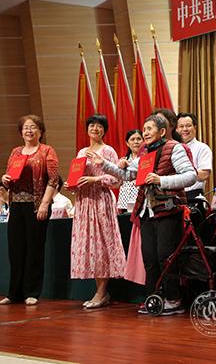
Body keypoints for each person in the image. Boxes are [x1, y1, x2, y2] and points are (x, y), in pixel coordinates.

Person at [88, 114, 196, 316]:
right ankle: (154, 298)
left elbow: (191, 176)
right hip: (147, 211)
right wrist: (104, 164)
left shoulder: (174, 148)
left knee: (166, 256)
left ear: (162, 131)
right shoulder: (146, 153)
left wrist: (161, 180)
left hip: (168, 209)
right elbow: (128, 175)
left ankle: (173, 299)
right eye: (144, 129)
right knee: (150, 257)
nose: (145, 133)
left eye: (149, 129)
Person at [66, 114, 126, 309]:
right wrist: (71, 184)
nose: (95, 128)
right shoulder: (82, 152)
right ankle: (101, 292)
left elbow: (117, 179)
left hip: (101, 201)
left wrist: (95, 180)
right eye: (92, 125)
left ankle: (101, 293)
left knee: (101, 246)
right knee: (90, 247)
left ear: (104, 130)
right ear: (87, 129)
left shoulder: (108, 151)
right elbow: (77, 176)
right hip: (84, 203)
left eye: (99, 126)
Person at [0, 114, 59, 306]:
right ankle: (14, 293)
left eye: (33, 127)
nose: (29, 130)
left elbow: (53, 180)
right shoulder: (16, 152)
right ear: (21, 132)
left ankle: (32, 292)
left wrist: (45, 203)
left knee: (34, 249)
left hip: (37, 205)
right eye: (26, 127)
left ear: (40, 131)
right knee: (15, 250)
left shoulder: (47, 150)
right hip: (16, 206)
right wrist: (4, 180)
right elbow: (9, 178)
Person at [176, 112, 213, 199]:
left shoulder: (202, 148)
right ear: (176, 129)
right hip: (175, 196)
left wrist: (180, 175)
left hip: (193, 196)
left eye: (188, 126)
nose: (185, 129)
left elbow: (204, 174)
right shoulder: (173, 148)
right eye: (181, 126)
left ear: (195, 127)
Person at [116, 129, 143, 213]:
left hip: (142, 200)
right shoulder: (123, 161)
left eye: (139, 139)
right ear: (127, 143)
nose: (136, 142)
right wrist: (119, 167)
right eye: (132, 139)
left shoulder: (147, 159)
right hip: (125, 201)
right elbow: (117, 183)